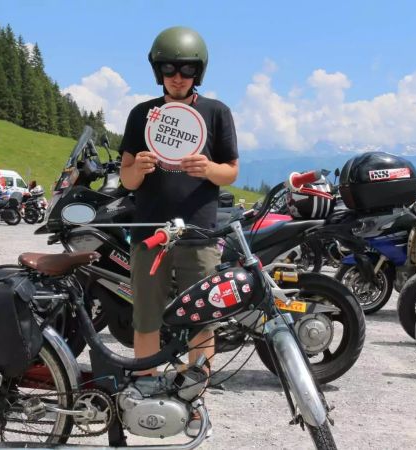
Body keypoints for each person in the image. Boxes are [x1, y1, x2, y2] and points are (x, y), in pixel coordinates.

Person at [119, 26, 239, 434]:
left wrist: (208, 169)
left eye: (187, 68)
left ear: (198, 72)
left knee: (202, 318)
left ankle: (195, 396)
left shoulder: (217, 112)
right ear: (158, 71)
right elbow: (127, 181)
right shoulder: (142, 115)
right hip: (149, 229)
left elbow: (231, 172)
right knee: (146, 315)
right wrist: (139, 168)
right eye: (169, 67)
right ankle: (146, 386)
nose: (177, 75)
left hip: (199, 232)